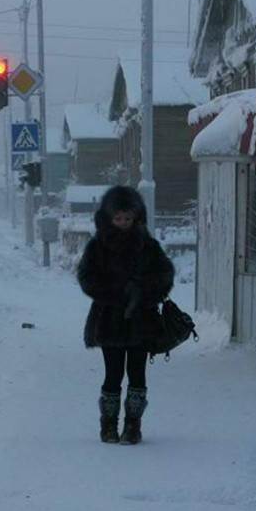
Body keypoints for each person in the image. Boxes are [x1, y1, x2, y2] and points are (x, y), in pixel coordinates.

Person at [77, 186, 174, 445]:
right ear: (108, 218)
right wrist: (117, 292)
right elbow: (86, 278)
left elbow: (165, 275)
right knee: (112, 374)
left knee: (137, 373)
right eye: (118, 218)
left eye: (127, 219)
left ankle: (133, 427)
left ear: (136, 217)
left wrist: (142, 291)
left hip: (141, 320)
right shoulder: (98, 246)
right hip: (109, 319)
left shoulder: (148, 245)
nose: (123, 224)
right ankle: (108, 427)